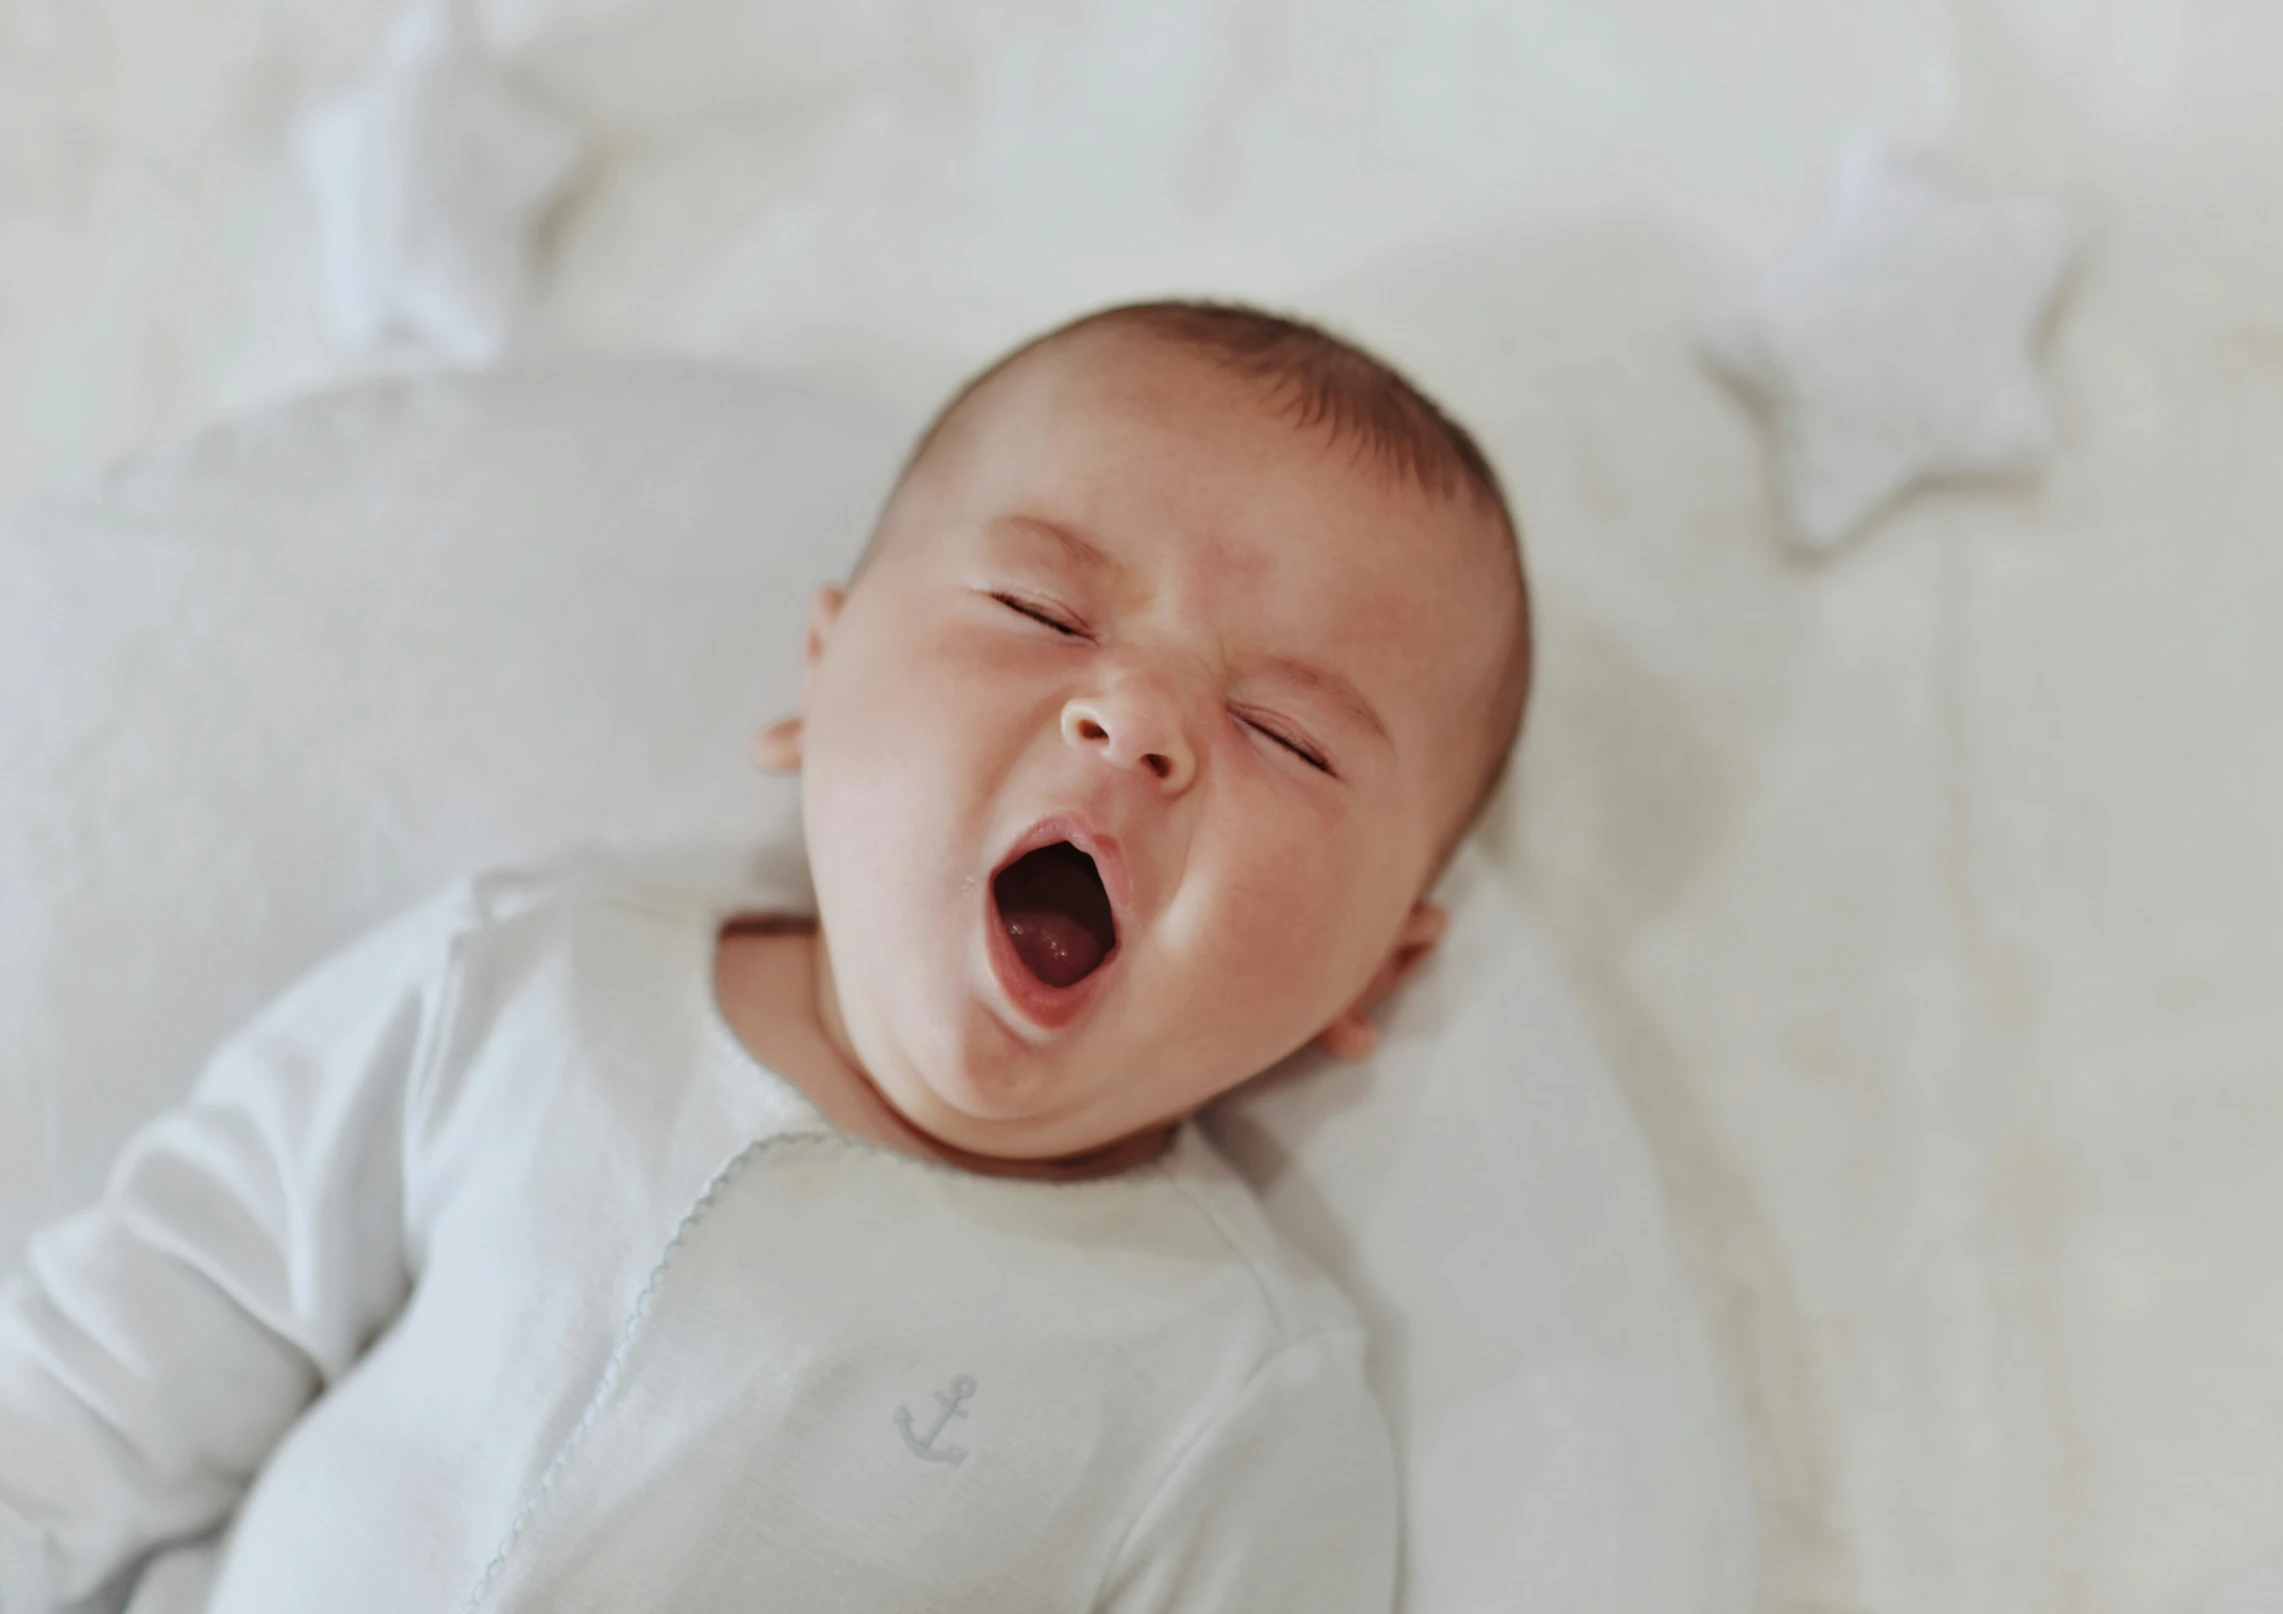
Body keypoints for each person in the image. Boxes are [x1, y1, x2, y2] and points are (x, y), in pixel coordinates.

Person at [0, 300, 1532, 1613]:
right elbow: (142, 1334)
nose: (1132, 721)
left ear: (1371, 971)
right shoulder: (533, 984)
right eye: (1038, 608)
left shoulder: (1227, 1391)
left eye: (1283, 733)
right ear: (820, 680)